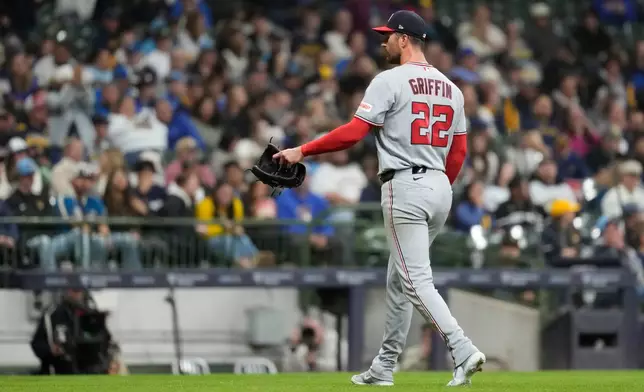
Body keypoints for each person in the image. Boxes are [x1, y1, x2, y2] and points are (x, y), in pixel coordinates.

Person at [273, 10, 484, 387]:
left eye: (388, 35)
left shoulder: (389, 80)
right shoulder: (451, 88)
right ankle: (385, 366)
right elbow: (459, 152)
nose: (383, 41)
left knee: (416, 281)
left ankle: (463, 347)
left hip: (405, 185)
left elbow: (355, 133)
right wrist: (439, 186)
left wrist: (302, 150)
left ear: (405, 40)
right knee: (399, 280)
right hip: (439, 186)